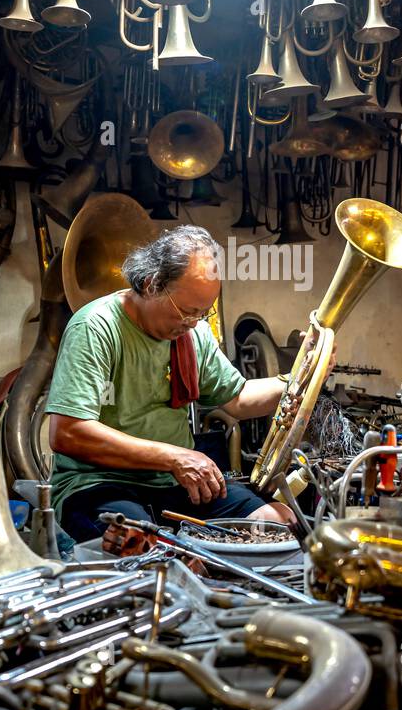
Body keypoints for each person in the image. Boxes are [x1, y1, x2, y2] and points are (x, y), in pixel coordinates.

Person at [46, 225, 302, 546]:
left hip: (173, 484)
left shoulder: (193, 334)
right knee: (140, 545)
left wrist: (301, 378)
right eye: (187, 311)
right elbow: (68, 432)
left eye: (202, 312)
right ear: (152, 285)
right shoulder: (96, 328)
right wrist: (174, 458)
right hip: (99, 483)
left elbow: (238, 399)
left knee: (277, 522)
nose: (194, 322)